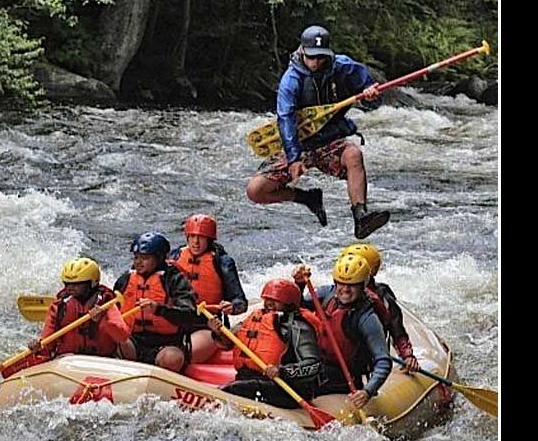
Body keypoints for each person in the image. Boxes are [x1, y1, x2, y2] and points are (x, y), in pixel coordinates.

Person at [246, 24, 390, 239]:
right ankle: (308, 198)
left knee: (353, 155)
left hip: (330, 141)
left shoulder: (345, 68)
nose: (316, 62)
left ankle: (361, 216)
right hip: (298, 143)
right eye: (312, 57)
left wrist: (371, 95)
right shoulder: (291, 80)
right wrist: (294, 158)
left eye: (321, 57)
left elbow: (374, 102)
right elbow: (286, 119)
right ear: (302, 51)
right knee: (255, 191)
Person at [293, 254, 392, 409]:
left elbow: (383, 361)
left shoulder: (367, 318)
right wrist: (299, 285)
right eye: (342, 283)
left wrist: (367, 391)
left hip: (344, 377)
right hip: (316, 364)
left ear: (363, 285)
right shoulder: (327, 294)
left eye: (352, 285)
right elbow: (297, 306)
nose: (345, 289)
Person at [207, 278, 323, 409]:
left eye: (276, 301)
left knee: (236, 388)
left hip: (283, 387)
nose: (269, 304)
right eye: (267, 299)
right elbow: (228, 342)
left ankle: (211, 403)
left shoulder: (297, 326)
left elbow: (314, 364)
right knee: (241, 386)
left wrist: (282, 371)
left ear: (288, 304)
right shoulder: (257, 317)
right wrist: (218, 331)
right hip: (248, 380)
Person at [113, 231, 198, 373]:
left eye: (144, 258)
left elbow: (189, 315)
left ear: (159, 258)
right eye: (136, 257)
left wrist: (159, 309)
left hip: (166, 344)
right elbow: (112, 311)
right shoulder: (126, 279)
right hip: (133, 342)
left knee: (172, 358)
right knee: (111, 340)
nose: (138, 262)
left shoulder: (174, 280)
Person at [168, 214, 248, 363]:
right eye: (192, 236)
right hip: (175, 320)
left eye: (201, 237)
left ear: (209, 239)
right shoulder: (175, 256)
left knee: (182, 356)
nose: (196, 242)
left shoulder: (223, 262)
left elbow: (241, 303)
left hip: (206, 325)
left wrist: (232, 307)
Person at [27, 257, 131, 361]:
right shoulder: (59, 306)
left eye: (76, 284)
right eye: (67, 284)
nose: (70, 287)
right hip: (68, 360)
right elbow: (47, 341)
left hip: (103, 360)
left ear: (91, 283)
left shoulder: (107, 304)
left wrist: (102, 320)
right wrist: (38, 346)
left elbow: (122, 337)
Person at [339, 243, 419, 373]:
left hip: (369, 358)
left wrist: (407, 355)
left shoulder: (382, 295)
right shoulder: (334, 293)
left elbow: (396, 327)